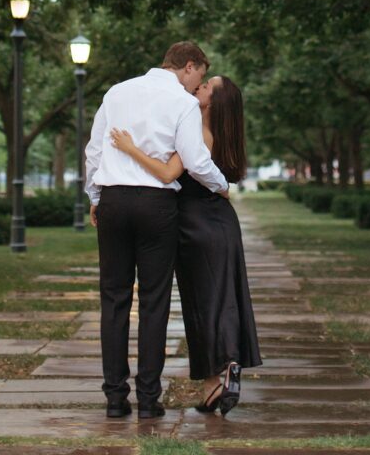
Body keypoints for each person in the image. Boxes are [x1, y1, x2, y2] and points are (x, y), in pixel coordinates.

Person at [84, 42, 229, 420]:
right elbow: (196, 160)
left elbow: (94, 150)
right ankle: (149, 399)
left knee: (113, 300)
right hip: (156, 206)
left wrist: (95, 195)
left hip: (114, 200)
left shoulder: (116, 92)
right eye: (200, 74)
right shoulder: (181, 104)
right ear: (189, 66)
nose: (198, 84)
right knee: (154, 302)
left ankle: (115, 399)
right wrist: (222, 185)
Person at [110, 73, 262, 416]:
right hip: (219, 225)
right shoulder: (221, 134)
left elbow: (167, 174)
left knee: (203, 305)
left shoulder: (198, 133)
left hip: (197, 229)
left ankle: (223, 368)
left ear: (212, 101)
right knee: (218, 301)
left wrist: (131, 148)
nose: (199, 85)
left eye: (207, 86)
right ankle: (215, 383)